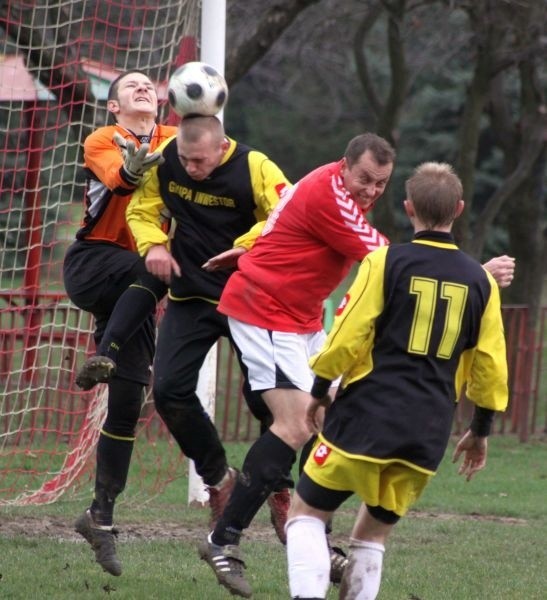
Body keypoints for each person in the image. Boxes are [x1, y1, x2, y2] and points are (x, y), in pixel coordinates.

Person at [198, 135, 515, 598]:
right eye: (364, 179)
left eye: (381, 184)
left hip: (299, 318)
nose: (369, 191)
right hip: (265, 309)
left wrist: (252, 243)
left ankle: (311, 535)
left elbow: (286, 214)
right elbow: (395, 264)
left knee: (323, 421)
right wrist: (475, 273)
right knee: (294, 426)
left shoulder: (336, 190)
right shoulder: (332, 197)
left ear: (405, 201)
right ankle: (223, 540)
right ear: (343, 166)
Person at [285, 161, 509, 599]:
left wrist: (318, 390)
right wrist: (480, 431)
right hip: (427, 430)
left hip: (368, 414)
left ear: (408, 209)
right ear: (458, 209)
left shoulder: (385, 260)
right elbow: (491, 365)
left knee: (305, 513)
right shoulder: (481, 281)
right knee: (372, 535)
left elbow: (350, 334)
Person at [124, 114, 293, 546]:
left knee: (267, 401)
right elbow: (140, 210)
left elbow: (288, 212)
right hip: (192, 296)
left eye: (200, 161)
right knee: (168, 391)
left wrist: (244, 247)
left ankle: (280, 487)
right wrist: (155, 244)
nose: (192, 169)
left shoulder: (256, 166)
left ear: (222, 148)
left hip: (248, 295)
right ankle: (219, 478)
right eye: (186, 159)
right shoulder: (166, 163)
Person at [63, 70, 177, 576]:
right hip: (93, 262)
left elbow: (213, 162)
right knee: (154, 263)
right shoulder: (103, 138)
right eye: (131, 85)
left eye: (150, 84)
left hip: (138, 284)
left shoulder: (177, 138)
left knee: (129, 403)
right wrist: (134, 170)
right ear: (113, 107)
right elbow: (119, 178)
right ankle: (104, 353)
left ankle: (100, 519)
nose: (143, 88)